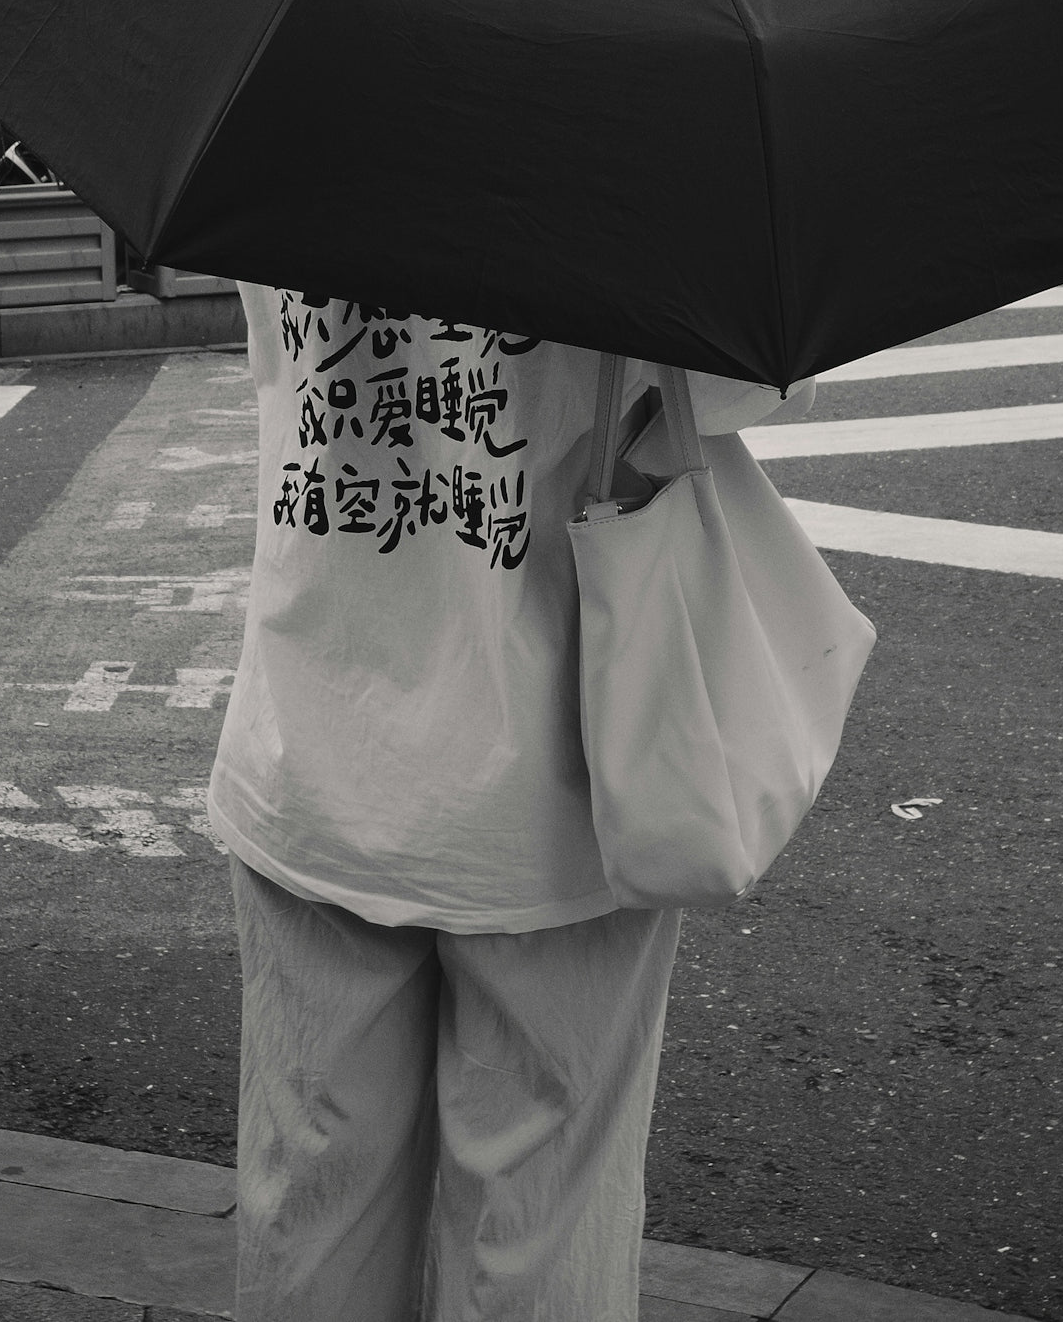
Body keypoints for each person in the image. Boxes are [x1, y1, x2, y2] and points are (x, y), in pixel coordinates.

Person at [206, 282, 812, 1322]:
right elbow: (729, 392)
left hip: (311, 741)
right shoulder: (627, 160)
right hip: (554, 792)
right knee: (538, 1221)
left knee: (310, 1200)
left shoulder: (291, 133)